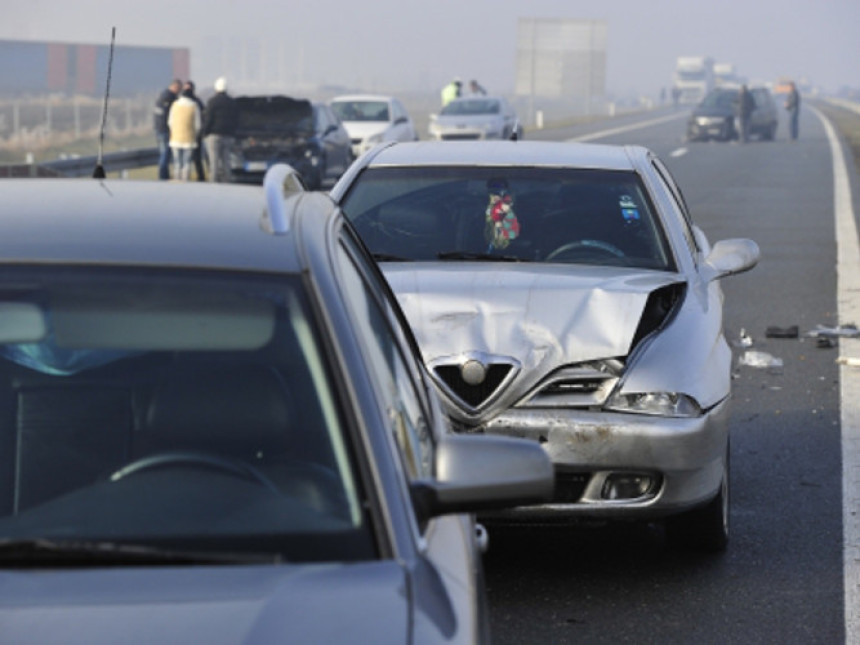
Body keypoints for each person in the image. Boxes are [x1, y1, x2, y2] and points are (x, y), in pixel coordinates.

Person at [203, 77, 239, 183]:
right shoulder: (232, 102)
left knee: (214, 162)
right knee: (226, 161)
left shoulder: (212, 102)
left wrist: (205, 132)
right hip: (228, 135)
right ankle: (227, 182)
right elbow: (236, 119)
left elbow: (208, 119)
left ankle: (213, 183)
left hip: (214, 135)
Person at [167, 85, 202, 181]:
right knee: (186, 162)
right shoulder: (194, 106)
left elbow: (170, 122)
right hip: (189, 139)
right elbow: (198, 125)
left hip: (175, 138)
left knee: (177, 162)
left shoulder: (175, 105)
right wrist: (195, 134)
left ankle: (177, 179)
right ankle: (185, 180)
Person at [153, 79, 181, 180]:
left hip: (158, 129)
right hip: (165, 130)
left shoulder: (161, 96)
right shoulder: (170, 98)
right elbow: (171, 116)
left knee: (163, 153)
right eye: (179, 89)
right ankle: (163, 176)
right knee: (165, 153)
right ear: (175, 87)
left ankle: (164, 175)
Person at [183, 80, 206, 181]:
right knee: (187, 157)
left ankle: (199, 176)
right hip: (186, 133)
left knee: (196, 158)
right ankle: (186, 176)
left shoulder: (196, 102)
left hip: (195, 134)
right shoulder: (195, 102)